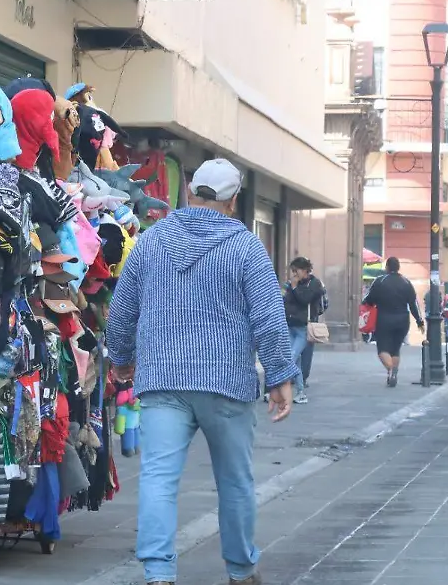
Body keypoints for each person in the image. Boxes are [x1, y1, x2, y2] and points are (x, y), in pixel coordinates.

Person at [108, 158, 296, 585]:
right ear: (232, 200)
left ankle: (158, 573)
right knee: (235, 481)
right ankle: (242, 569)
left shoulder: (153, 242)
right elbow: (268, 316)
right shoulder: (247, 246)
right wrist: (280, 376)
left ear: (191, 190)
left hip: (162, 380)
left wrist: (121, 359)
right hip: (226, 380)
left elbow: (122, 309)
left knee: (158, 478)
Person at [362, 257, 424, 387]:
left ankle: (391, 369)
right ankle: (393, 373)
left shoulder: (380, 281)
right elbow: (414, 304)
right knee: (396, 349)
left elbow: (369, 299)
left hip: (384, 319)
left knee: (383, 349)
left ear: (387, 267)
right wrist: (419, 321)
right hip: (402, 320)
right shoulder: (406, 282)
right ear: (398, 267)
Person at [283, 256, 325, 404]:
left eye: (296, 271)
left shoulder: (314, 284)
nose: (294, 274)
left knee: (291, 358)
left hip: (303, 327)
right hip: (290, 325)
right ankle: (301, 392)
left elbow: (305, 299)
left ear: (305, 270)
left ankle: (280, 387)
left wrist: (294, 288)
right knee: (296, 362)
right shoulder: (294, 284)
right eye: (293, 271)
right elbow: (287, 301)